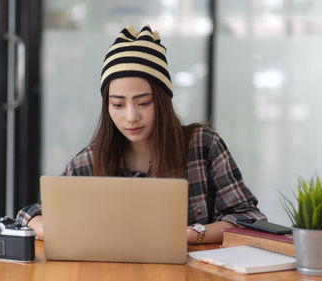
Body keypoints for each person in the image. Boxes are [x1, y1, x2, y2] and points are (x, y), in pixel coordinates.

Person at [17, 25, 266, 243]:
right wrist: (63, 231)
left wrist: (189, 234)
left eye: (143, 102)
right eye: (118, 104)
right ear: (107, 107)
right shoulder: (91, 160)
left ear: (162, 101)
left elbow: (248, 218)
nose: (131, 116)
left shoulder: (203, 145)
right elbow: (29, 215)